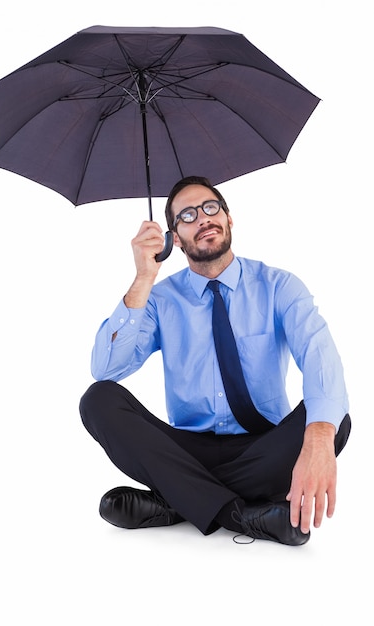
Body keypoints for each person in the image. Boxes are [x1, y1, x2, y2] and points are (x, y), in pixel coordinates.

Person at [79, 176, 351, 545]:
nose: (203, 218)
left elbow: (321, 356)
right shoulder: (160, 299)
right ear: (173, 237)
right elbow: (106, 369)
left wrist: (319, 436)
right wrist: (144, 277)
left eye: (211, 208)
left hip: (263, 447)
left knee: (333, 420)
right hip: (185, 449)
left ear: (228, 218)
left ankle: (176, 500)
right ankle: (239, 513)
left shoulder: (279, 286)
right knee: (98, 400)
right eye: (187, 215)